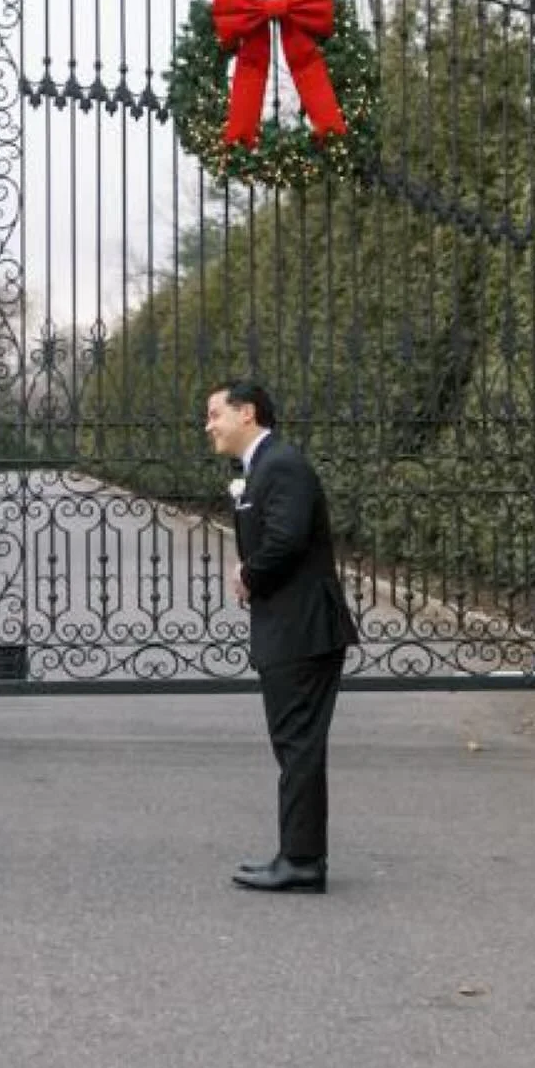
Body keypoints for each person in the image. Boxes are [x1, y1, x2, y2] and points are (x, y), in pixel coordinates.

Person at [204, 378, 359, 894]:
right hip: (291, 629)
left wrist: (248, 575)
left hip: (303, 631)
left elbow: (287, 539)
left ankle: (302, 861)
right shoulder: (263, 467)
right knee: (296, 746)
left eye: (215, 415)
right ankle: (299, 855)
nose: (210, 427)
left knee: (298, 746)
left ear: (246, 414)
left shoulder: (282, 465)